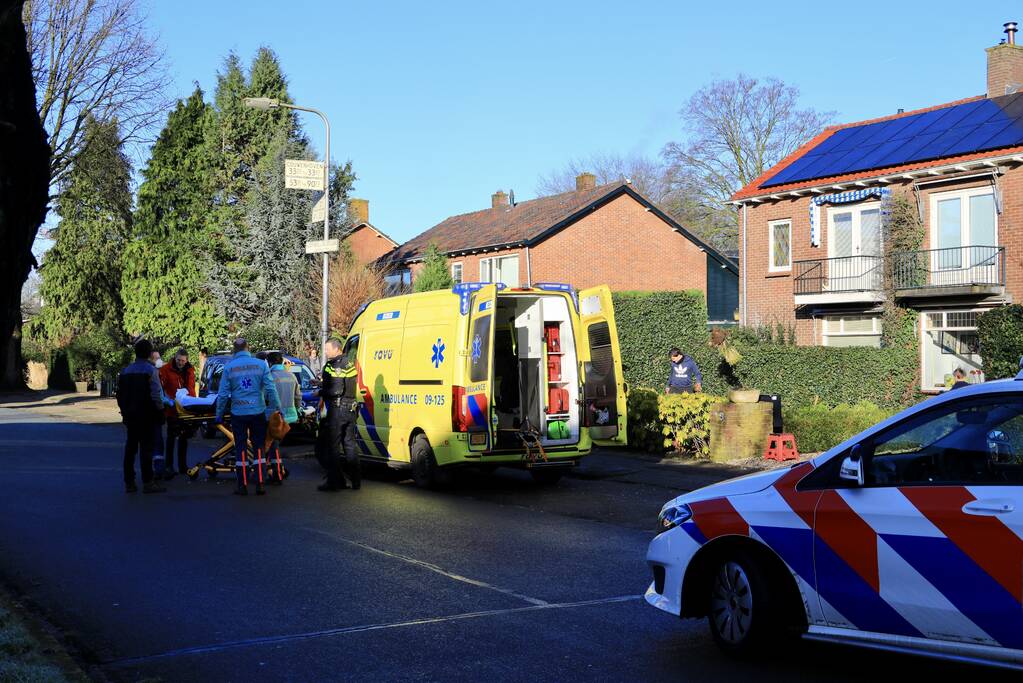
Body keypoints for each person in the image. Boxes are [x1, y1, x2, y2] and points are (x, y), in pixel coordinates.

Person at [215, 338, 281, 496]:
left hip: (238, 413)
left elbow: (223, 394)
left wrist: (219, 414)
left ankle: (242, 485)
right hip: (258, 412)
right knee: (259, 447)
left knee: (241, 448)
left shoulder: (229, 368)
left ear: (234, 349)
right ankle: (260, 483)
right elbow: (270, 388)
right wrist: (276, 408)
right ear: (248, 347)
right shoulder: (260, 365)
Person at [116, 339, 166, 494]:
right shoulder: (151, 371)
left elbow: (120, 395)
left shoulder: (126, 371)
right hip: (147, 415)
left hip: (131, 415)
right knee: (146, 449)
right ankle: (148, 482)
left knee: (130, 448)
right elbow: (156, 394)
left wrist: (124, 411)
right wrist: (160, 410)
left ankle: (129, 482)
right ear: (150, 353)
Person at [316, 338, 361, 492]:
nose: (326, 352)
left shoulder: (334, 365)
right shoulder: (349, 363)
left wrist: (319, 391)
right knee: (349, 445)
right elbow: (343, 384)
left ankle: (334, 483)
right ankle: (356, 482)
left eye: (327, 349)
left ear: (336, 349)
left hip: (337, 410)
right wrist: (321, 384)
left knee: (332, 447)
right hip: (350, 409)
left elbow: (336, 390)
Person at [160, 348, 196, 477]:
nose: (181, 363)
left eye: (183, 361)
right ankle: (169, 465)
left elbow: (191, 388)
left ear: (187, 360)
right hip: (172, 409)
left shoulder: (190, 370)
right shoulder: (165, 370)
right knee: (171, 438)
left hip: (186, 409)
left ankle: (182, 465)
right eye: (179, 360)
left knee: (184, 437)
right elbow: (161, 388)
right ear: (175, 358)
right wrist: (167, 400)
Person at [267, 351, 302, 483]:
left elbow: (264, 397)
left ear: (269, 363)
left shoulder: (269, 377)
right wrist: (297, 411)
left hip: (274, 417)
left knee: (272, 446)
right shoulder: (291, 376)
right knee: (274, 445)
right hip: (290, 417)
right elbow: (298, 396)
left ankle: (276, 473)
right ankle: (276, 469)